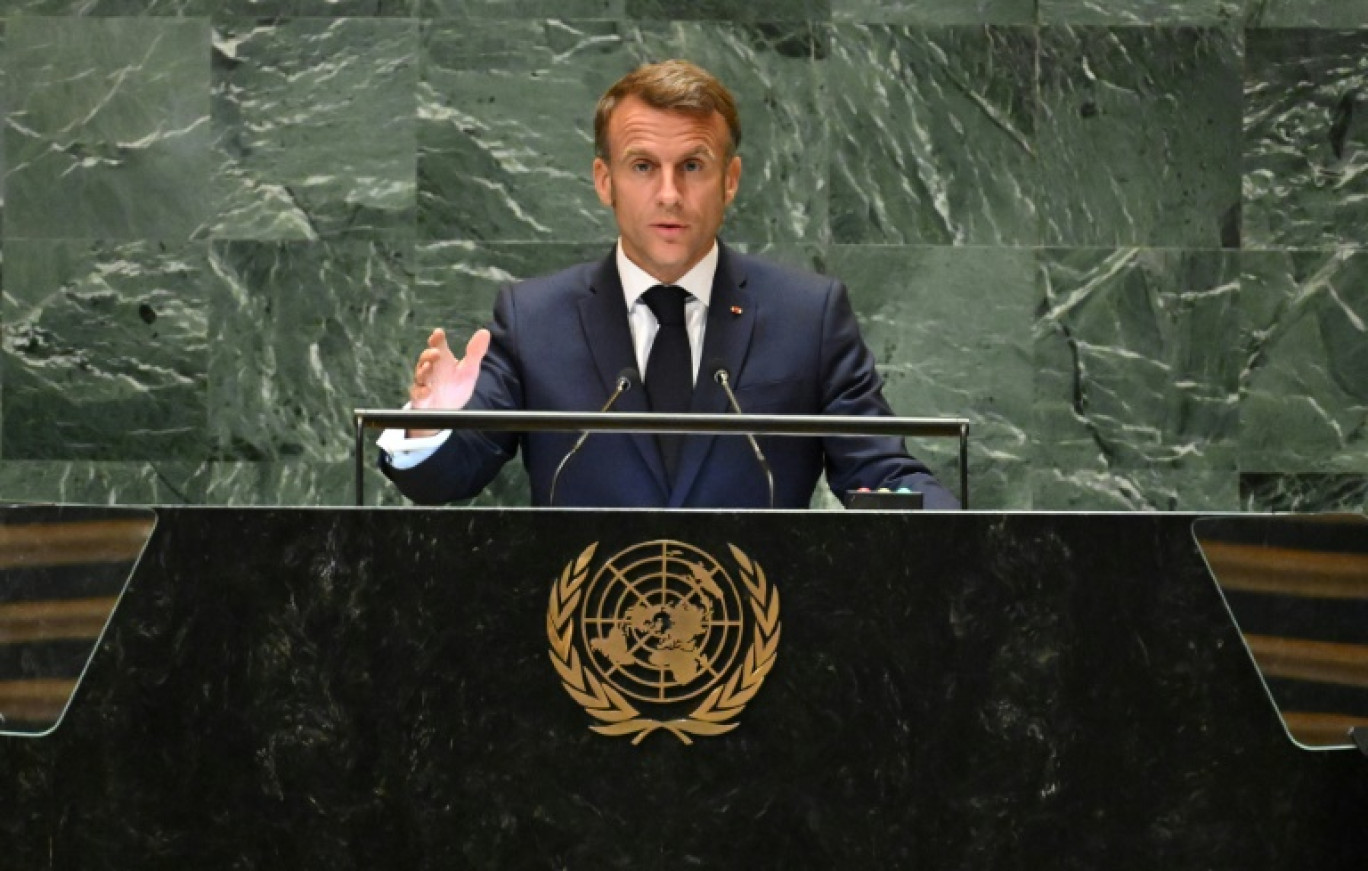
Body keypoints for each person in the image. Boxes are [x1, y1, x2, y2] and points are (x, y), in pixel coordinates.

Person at [378, 59, 958, 510]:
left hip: (762, 637)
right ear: (604, 181)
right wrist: (431, 426)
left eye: (693, 166)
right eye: (642, 166)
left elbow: (882, 473)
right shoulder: (534, 319)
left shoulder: (809, 315)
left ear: (729, 180)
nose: (669, 195)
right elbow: (446, 479)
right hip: (582, 640)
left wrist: (974, 534)